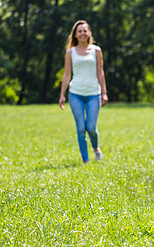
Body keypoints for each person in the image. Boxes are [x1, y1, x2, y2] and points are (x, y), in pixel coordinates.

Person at [59, 20, 108, 164]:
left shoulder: (96, 51)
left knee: (91, 127)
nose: (82, 33)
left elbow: (100, 72)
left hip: (93, 93)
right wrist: (62, 94)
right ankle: (85, 160)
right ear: (75, 34)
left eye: (84, 30)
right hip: (76, 93)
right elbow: (67, 74)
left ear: (89, 33)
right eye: (79, 31)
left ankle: (96, 148)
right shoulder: (70, 52)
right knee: (81, 128)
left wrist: (104, 92)